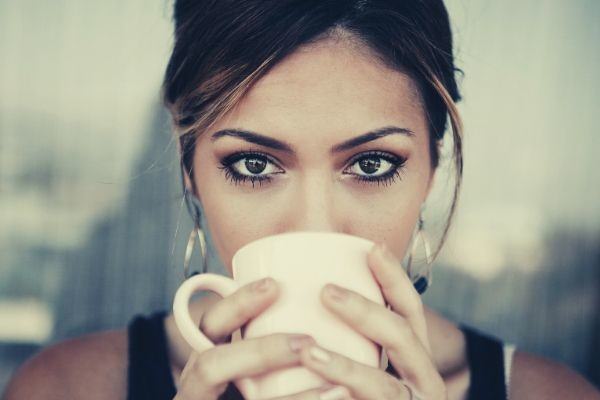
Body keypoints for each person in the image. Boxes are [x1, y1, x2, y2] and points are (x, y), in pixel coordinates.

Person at [4, 1, 600, 399]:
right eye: (254, 165)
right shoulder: (66, 387)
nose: (313, 225)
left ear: (431, 172)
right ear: (189, 172)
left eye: (371, 165)